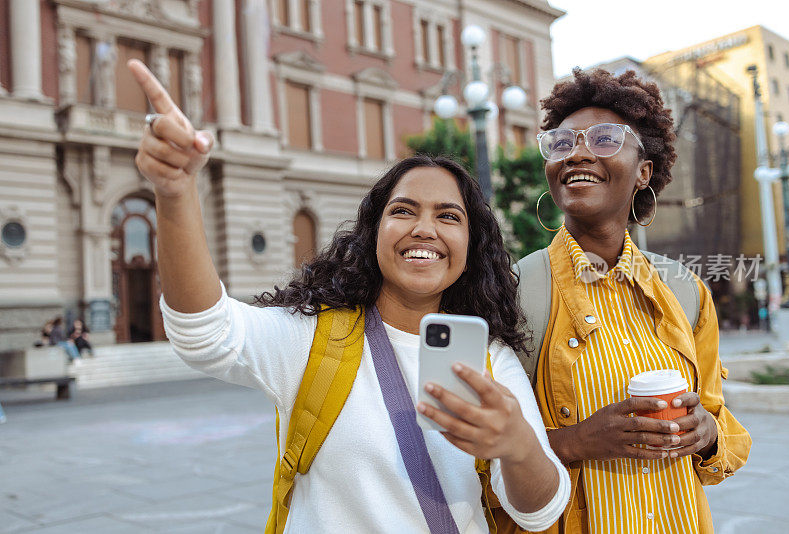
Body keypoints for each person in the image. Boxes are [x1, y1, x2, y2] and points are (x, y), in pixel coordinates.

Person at [127, 58, 570, 533]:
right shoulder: (312, 337)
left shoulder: (490, 361)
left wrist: (519, 445)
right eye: (403, 211)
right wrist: (174, 193)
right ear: (374, 233)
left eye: (448, 216)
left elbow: (538, 512)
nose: (424, 229)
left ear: (471, 246)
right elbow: (205, 334)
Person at [517, 68, 751, 534]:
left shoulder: (686, 291)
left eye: (605, 139)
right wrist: (576, 441)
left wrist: (707, 435)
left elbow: (720, 423)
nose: (578, 152)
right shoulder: (514, 289)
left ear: (644, 170)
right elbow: (475, 451)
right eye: (562, 143)